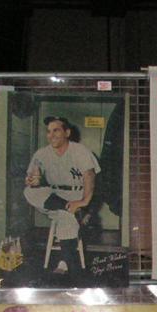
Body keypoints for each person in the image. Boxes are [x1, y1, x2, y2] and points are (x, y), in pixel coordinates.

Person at [23, 116, 100, 279]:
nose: (51, 135)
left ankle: (67, 264)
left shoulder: (80, 150)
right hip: (55, 196)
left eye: (56, 130)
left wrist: (84, 202)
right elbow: (32, 178)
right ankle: (71, 209)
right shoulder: (41, 153)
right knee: (29, 192)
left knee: (65, 217)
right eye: (49, 131)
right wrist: (32, 181)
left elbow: (90, 176)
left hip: (77, 194)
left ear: (67, 133)